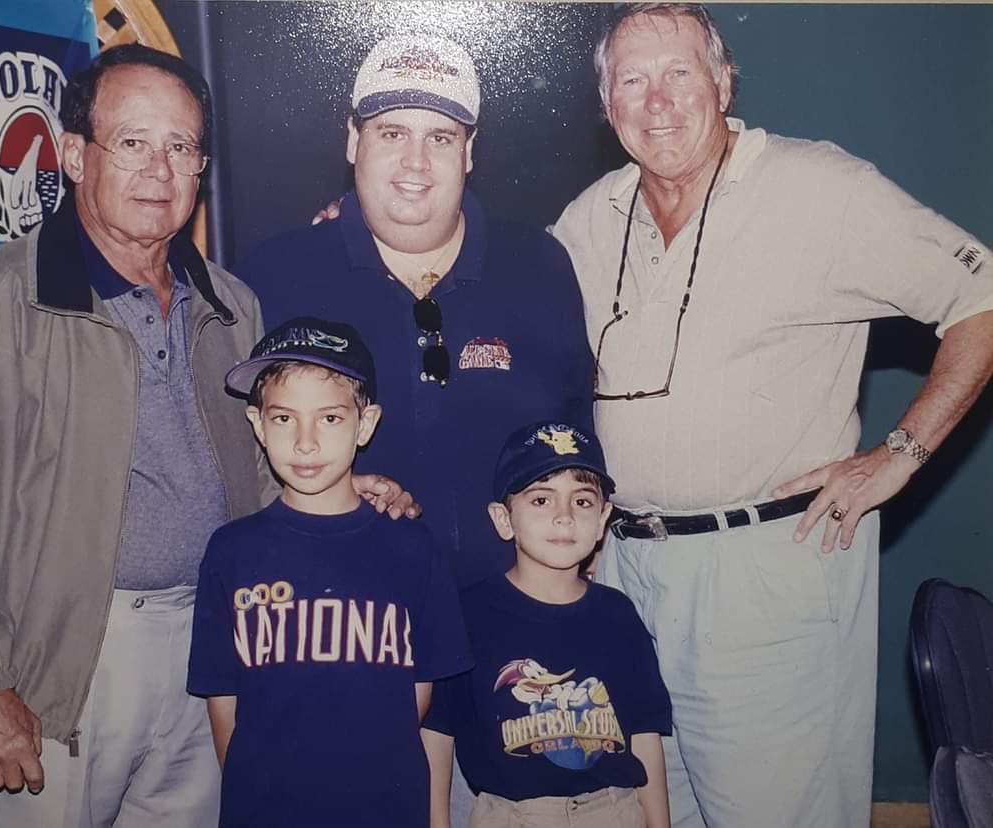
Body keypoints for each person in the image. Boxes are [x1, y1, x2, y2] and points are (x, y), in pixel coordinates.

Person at [0, 44, 413, 828]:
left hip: (211, 646)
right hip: (59, 664)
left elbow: (256, 472)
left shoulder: (231, 306)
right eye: (133, 143)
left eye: (180, 147)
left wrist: (346, 489)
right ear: (75, 156)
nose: (159, 169)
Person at [552, 4, 993, 827]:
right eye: (631, 81)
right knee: (648, 810)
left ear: (723, 82)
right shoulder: (589, 218)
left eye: (680, 73)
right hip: (623, 574)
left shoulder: (817, 186)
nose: (657, 101)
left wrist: (901, 450)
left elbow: (982, 297)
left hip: (765, 572)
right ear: (607, 106)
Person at [236, 33, 595, 589]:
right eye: (392, 132)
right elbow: (238, 452)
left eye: (441, 138)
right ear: (353, 140)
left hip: (513, 627)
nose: (416, 162)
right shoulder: (276, 276)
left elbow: (579, 431)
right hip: (346, 615)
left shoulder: (539, 267)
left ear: (470, 152)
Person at [187, 316, 472, 827]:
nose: (305, 442)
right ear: (256, 424)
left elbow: (420, 702)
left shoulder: (411, 548)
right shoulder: (232, 553)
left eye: (330, 419)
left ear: (365, 424)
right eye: (283, 419)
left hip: (384, 808)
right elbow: (223, 703)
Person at [422, 420, 671, 828]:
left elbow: (644, 736)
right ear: (504, 519)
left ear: (604, 517)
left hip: (613, 811)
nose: (564, 518)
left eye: (583, 501)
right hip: (511, 815)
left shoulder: (618, 615)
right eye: (541, 500)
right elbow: (437, 736)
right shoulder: (468, 614)